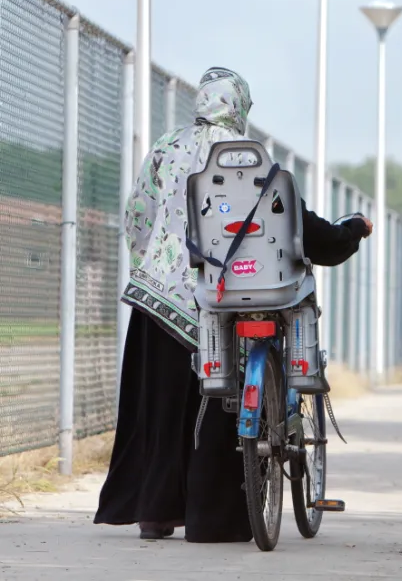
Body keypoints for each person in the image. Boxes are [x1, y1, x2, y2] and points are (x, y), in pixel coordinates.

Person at [94, 67, 373, 542]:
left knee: (159, 409)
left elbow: (137, 215)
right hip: (231, 299)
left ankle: (155, 513)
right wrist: (349, 234)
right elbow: (299, 229)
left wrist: (154, 264)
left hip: (161, 298)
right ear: (240, 108)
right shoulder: (254, 161)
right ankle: (215, 518)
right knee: (219, 401)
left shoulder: (166, 148)